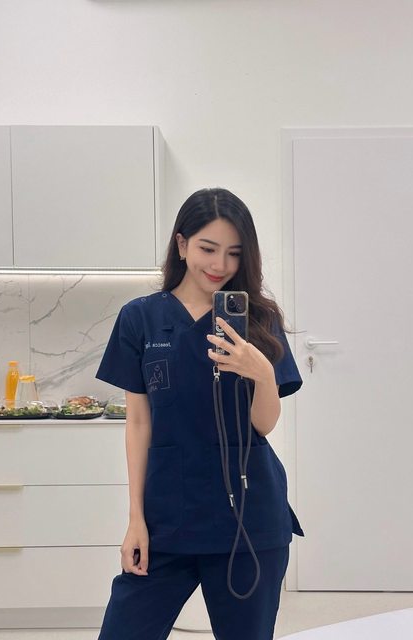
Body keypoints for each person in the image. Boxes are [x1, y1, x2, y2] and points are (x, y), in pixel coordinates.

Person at [95, 187, 304, 640]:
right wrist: (135, 519)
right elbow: (139, 422)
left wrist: (262, 373)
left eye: (234, 252)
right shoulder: (140, 318)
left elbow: (264, 425)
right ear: (182, 243)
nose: (220, 264)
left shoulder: (259, 319)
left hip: (248, 519)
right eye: (208, 248)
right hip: (166, 517)